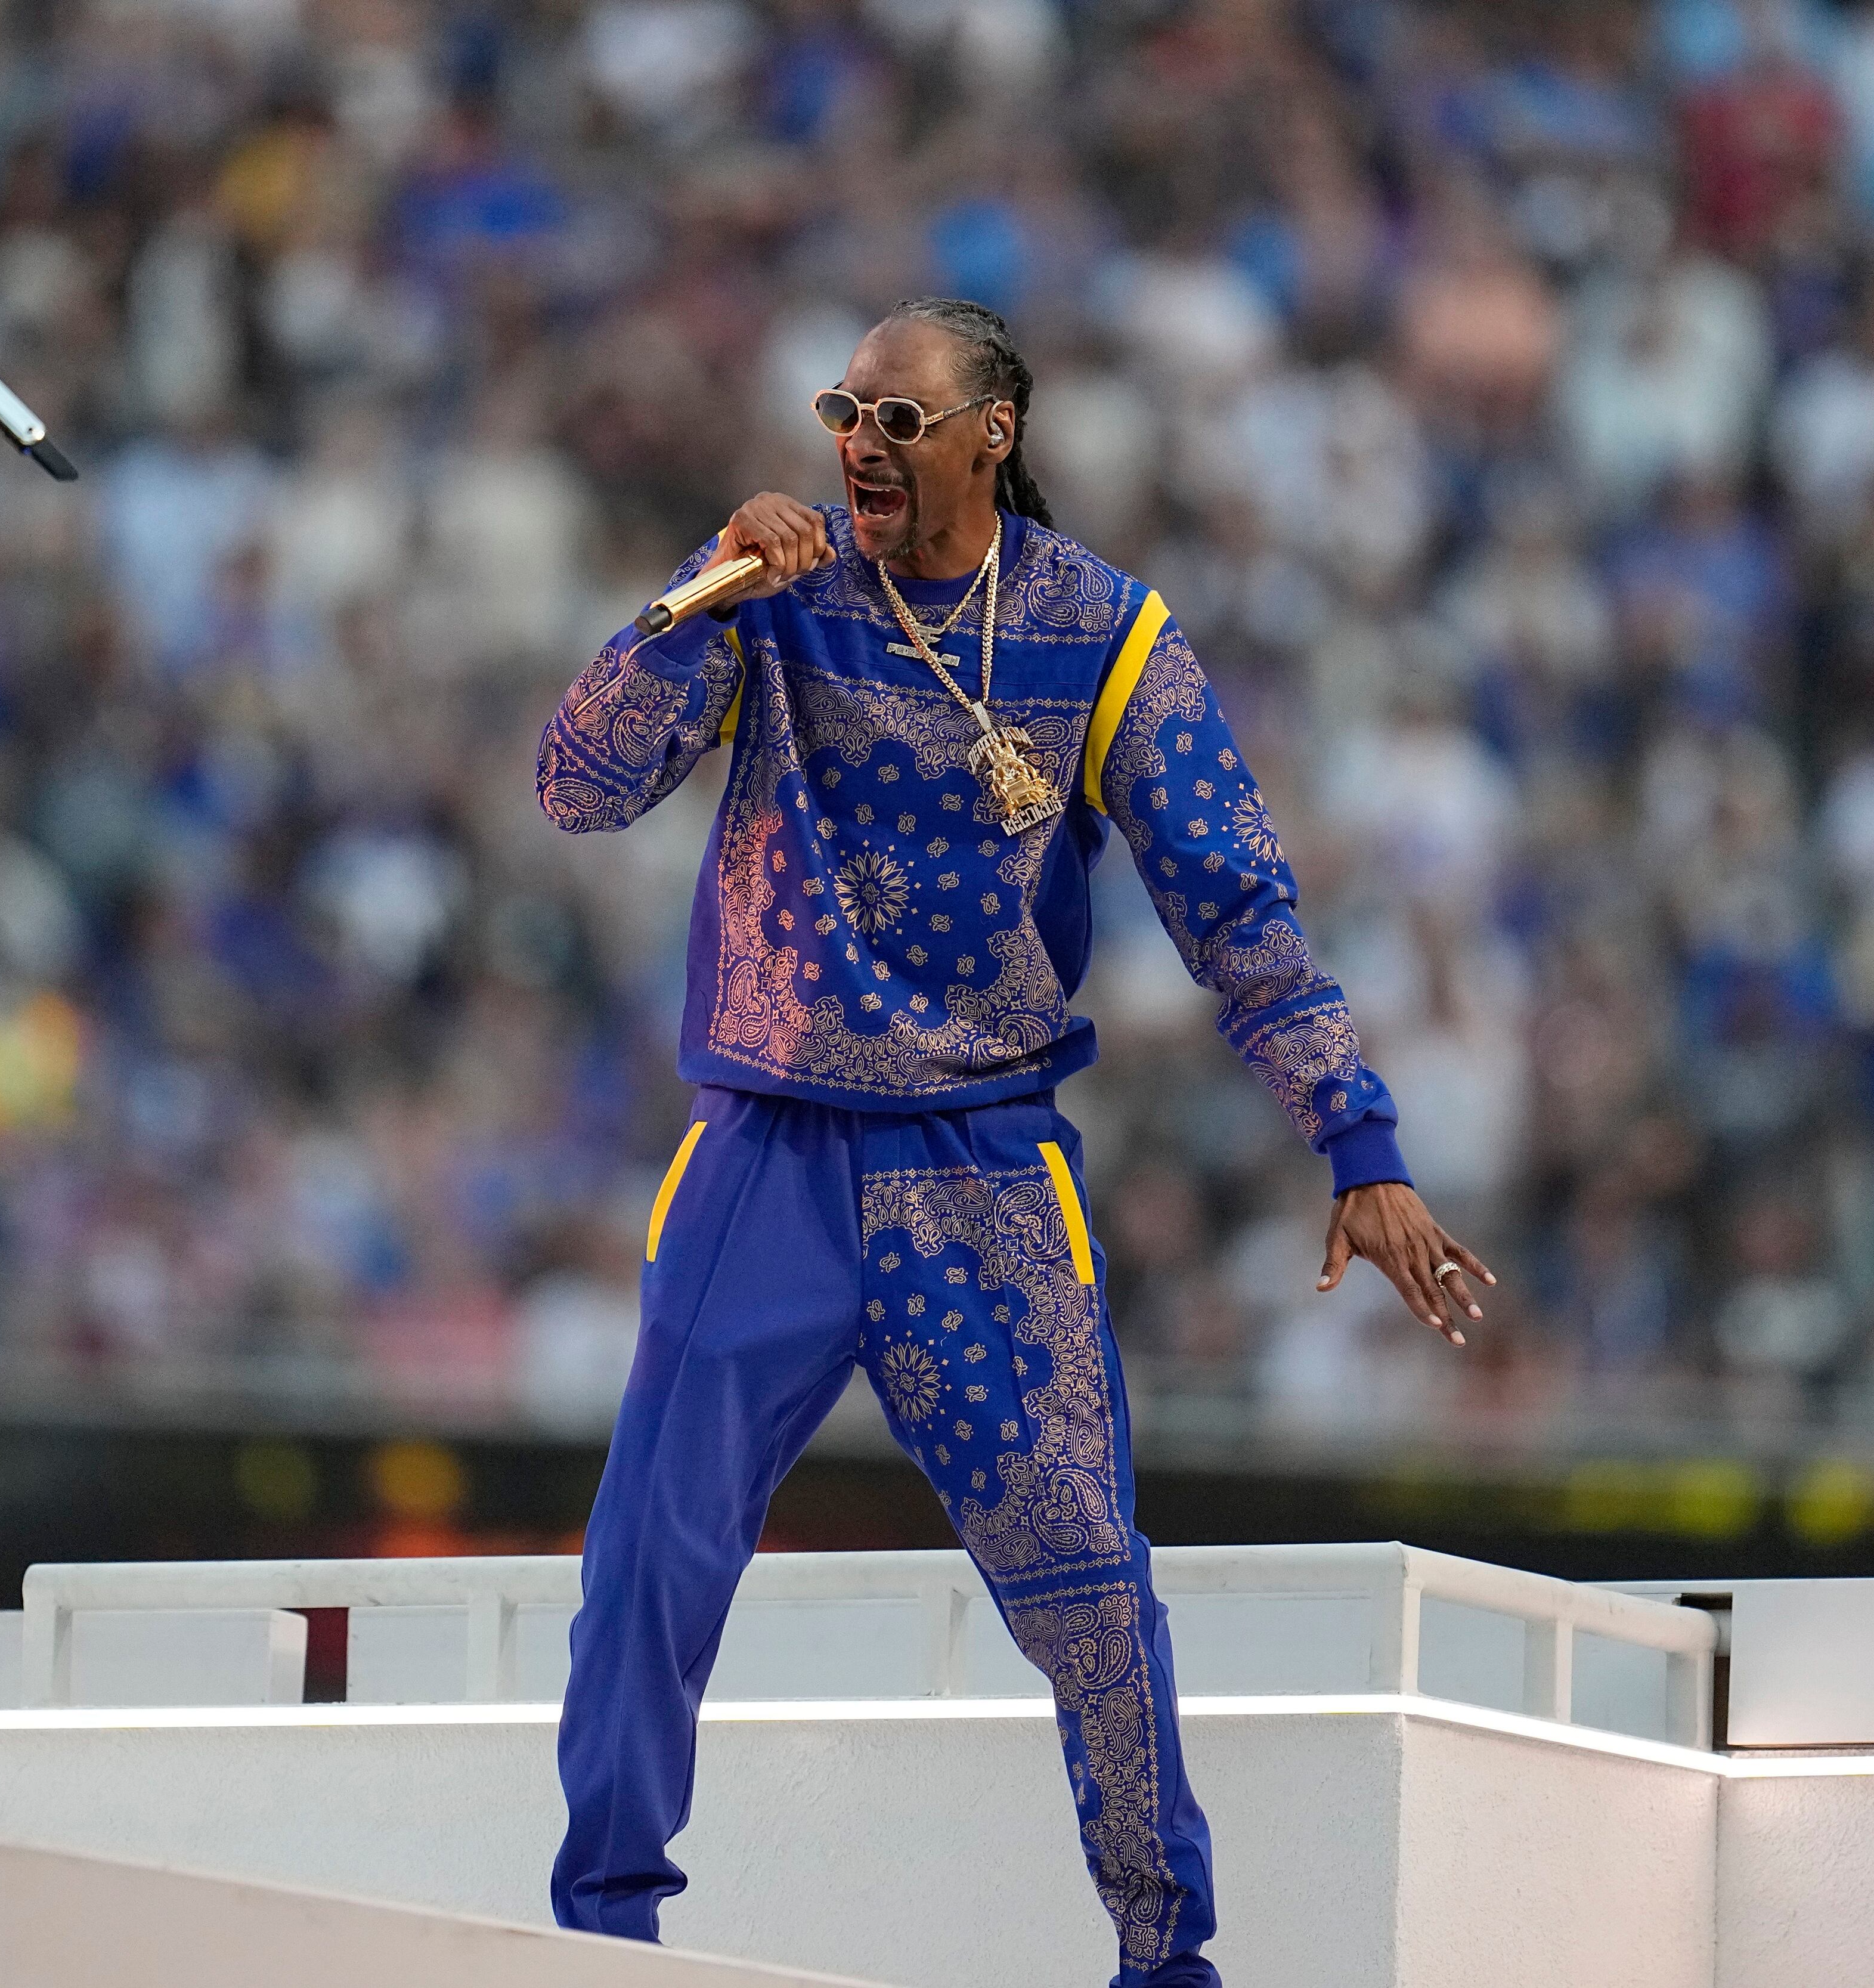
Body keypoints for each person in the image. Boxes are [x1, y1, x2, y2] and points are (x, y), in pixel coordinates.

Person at [534, 298, 1495, 1986]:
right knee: (649, 1558)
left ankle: (1166, 1958)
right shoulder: (773, 600)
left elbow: (1240, 913)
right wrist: (695, 597)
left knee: (1090, 1597)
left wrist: (1364, 1145)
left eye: (899, 420)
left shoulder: (1108, 634)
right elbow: (576, 786)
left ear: (994, 434)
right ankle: (603, 1939)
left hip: (981, 1173)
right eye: (843, 410)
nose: (857, 445)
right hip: (769, 1146)